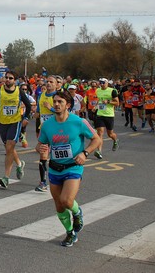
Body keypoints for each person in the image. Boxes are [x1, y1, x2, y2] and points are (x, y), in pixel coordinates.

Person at [36, 90, 102, 247]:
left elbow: (96, 139)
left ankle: (77, 212)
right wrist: (40, 148)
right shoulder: (47, 125)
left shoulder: (78, 122)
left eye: (60, 102)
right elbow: (40, 143)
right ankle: (70, 233)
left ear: (68, 105)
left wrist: (85, 153)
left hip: (73, 167)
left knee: (66, 200)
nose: (57, 104)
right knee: (58, 205)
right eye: (55, 101)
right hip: (54, 168)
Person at [0, 71, 32, 189]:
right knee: (9, 148)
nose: (7, 80)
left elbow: (28, 105)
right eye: (6, 77)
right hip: (3, 122)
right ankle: (19, 163)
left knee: (9, 147)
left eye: (10, 78)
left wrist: (25, 118)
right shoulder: (0, 91)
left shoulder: (19, 91)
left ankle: (6, 178)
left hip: (15, 122)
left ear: (15, 80)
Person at [34, 75, 58, 192]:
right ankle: (43, 181)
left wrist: (51, 108)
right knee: (40, 151)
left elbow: (63, 112)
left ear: (56, 84)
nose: (48, 84)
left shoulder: (57, 97)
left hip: (56, 129)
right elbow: (39, 111)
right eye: (47, 81)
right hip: (44, 128)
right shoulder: (41, 95)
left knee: (47, 154)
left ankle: (47, 181)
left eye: (51, 82)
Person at [94, 77, 119, 157]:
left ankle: (115, 140)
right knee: (100, 133)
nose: (102, 84)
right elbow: (99, 100)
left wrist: (108, 101)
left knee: (110, 134)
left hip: (109, 114)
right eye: (100, 83)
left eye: (103, 83)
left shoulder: (112, 91)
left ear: (107, 83)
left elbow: (117, 103)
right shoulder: (98, 90)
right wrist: (96, 106)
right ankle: (99, 151)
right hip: (100, 113)